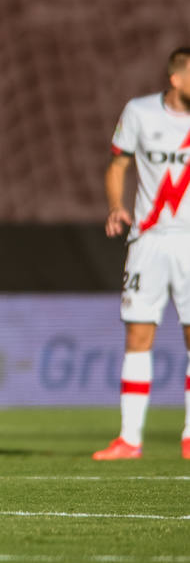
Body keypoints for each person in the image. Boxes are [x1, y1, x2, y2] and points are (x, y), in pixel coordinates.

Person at [94, 46, 190, 461]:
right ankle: (129, 439)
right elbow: (117, 165)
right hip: (149, 241)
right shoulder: (140, 112)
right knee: (137, 336)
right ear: (176, 78)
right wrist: (116, 205)